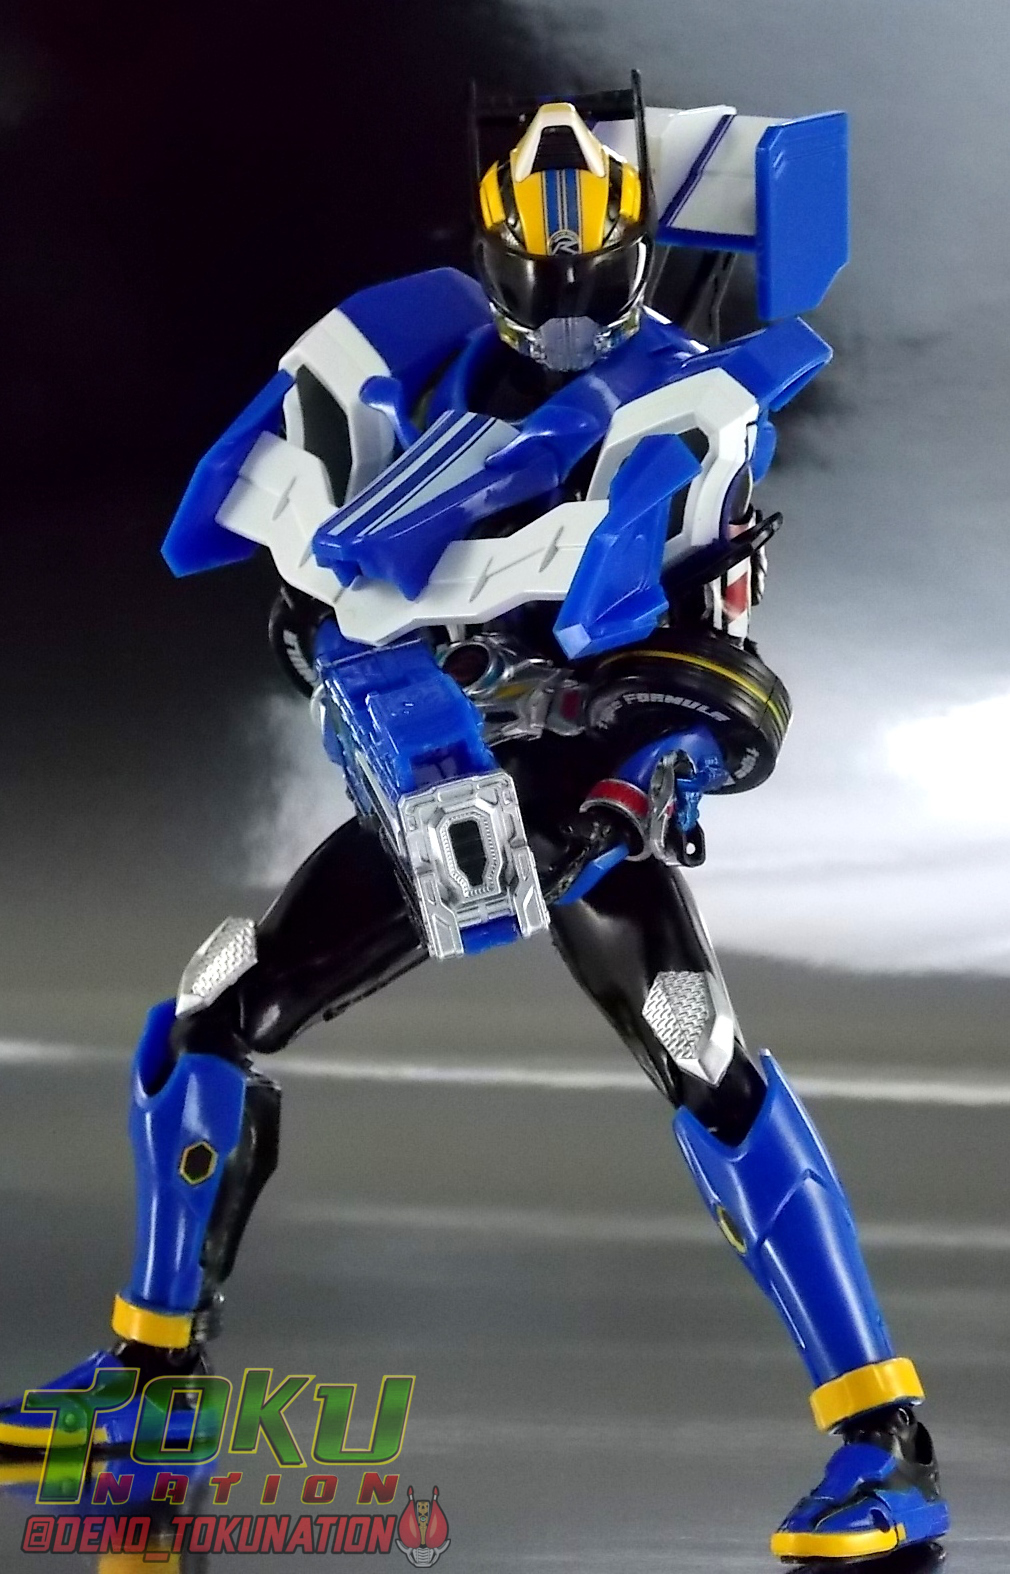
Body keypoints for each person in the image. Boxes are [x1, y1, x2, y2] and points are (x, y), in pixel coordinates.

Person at [0, 78, 949, 1563]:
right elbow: (320, 599)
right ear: (499, 254)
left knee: (700, 1053)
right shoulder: (424, 373)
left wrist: (629, 791)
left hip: (583, 785)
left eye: (585, 277)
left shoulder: (691, 414)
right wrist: (352, 664)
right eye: (536, 276)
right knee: (210, 1013)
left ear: (629, 252)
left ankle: (884, 1442)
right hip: (445, 780)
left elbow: (725, 675)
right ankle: (150, 1382)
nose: (562, 313)